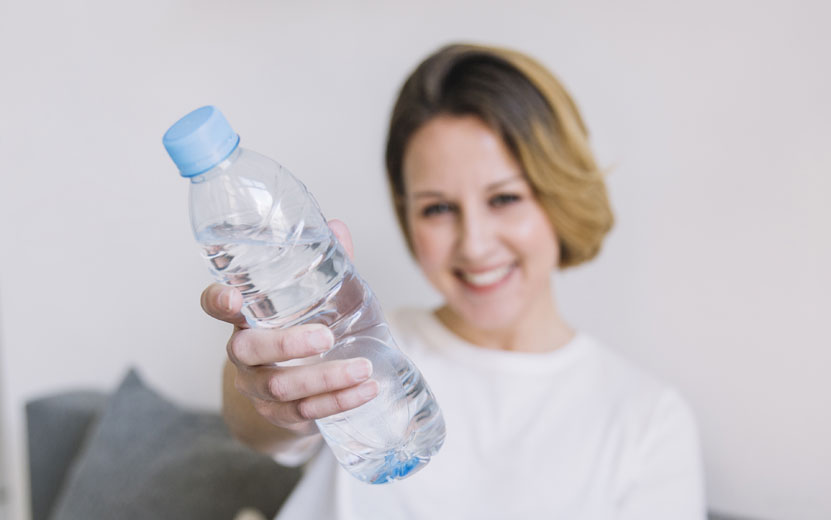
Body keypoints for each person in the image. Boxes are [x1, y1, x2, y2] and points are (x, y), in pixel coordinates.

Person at [201, 43, 706, 519]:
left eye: (504, 198)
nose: (475, 245)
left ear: (561, 196)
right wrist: (264, 388)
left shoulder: (648, 421)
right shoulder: (365, 349)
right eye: (438, 208)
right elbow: (264, 432)